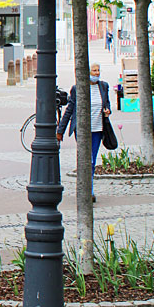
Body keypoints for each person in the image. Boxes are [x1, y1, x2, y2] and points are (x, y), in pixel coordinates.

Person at [56, 62, 111, 202]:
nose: (97, 73)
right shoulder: (77, 88)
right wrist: (60, 130)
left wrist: (107, 111)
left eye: (98, 70)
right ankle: (87, 189)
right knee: (86, 159)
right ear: (87, 73)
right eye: (94, 71)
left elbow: (107, 103)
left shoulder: (103, 86)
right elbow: (70, 109)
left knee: (92, 160)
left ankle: (89, 188)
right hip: (81, 130)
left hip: (98, 129)